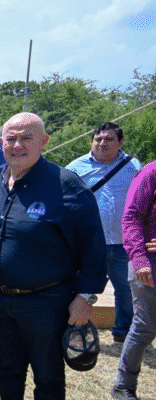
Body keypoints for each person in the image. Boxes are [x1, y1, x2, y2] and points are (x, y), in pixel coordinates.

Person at [0, 112, 106, 400]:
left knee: (47, 376)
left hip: (48, 299)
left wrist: (86, 298)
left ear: (44, 141)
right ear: (0, 143)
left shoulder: (66, 185)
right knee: (7, 369)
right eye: (10, 138)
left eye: (26, 138)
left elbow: (93, 247)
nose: (17, 145)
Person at [67, 122, 142, 344]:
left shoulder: (134, 166)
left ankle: (123, 333)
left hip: (123, 242)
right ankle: (74, 330)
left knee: (127, 291)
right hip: (88, 242)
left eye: (109, 139)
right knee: (79, 289)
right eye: (98, 139)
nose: (102, 143)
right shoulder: (75, 167)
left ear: (121, 142)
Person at [112, 160, 156, 400]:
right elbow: (131, 217)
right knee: (145, 327)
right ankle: (123, 386)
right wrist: (139, 259)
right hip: (148, 263)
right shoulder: (151, 172)